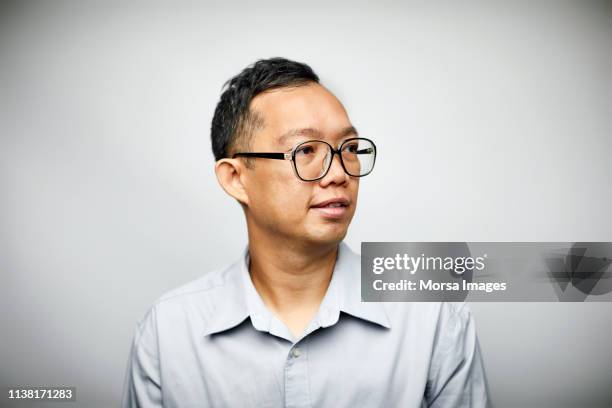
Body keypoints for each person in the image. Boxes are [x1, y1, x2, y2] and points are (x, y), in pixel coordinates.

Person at [121, 57, 491, 407]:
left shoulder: (432, 314)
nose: (338, 174)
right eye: (306, 150)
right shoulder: (168, 331)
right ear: (235, 178)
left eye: (348, 148)